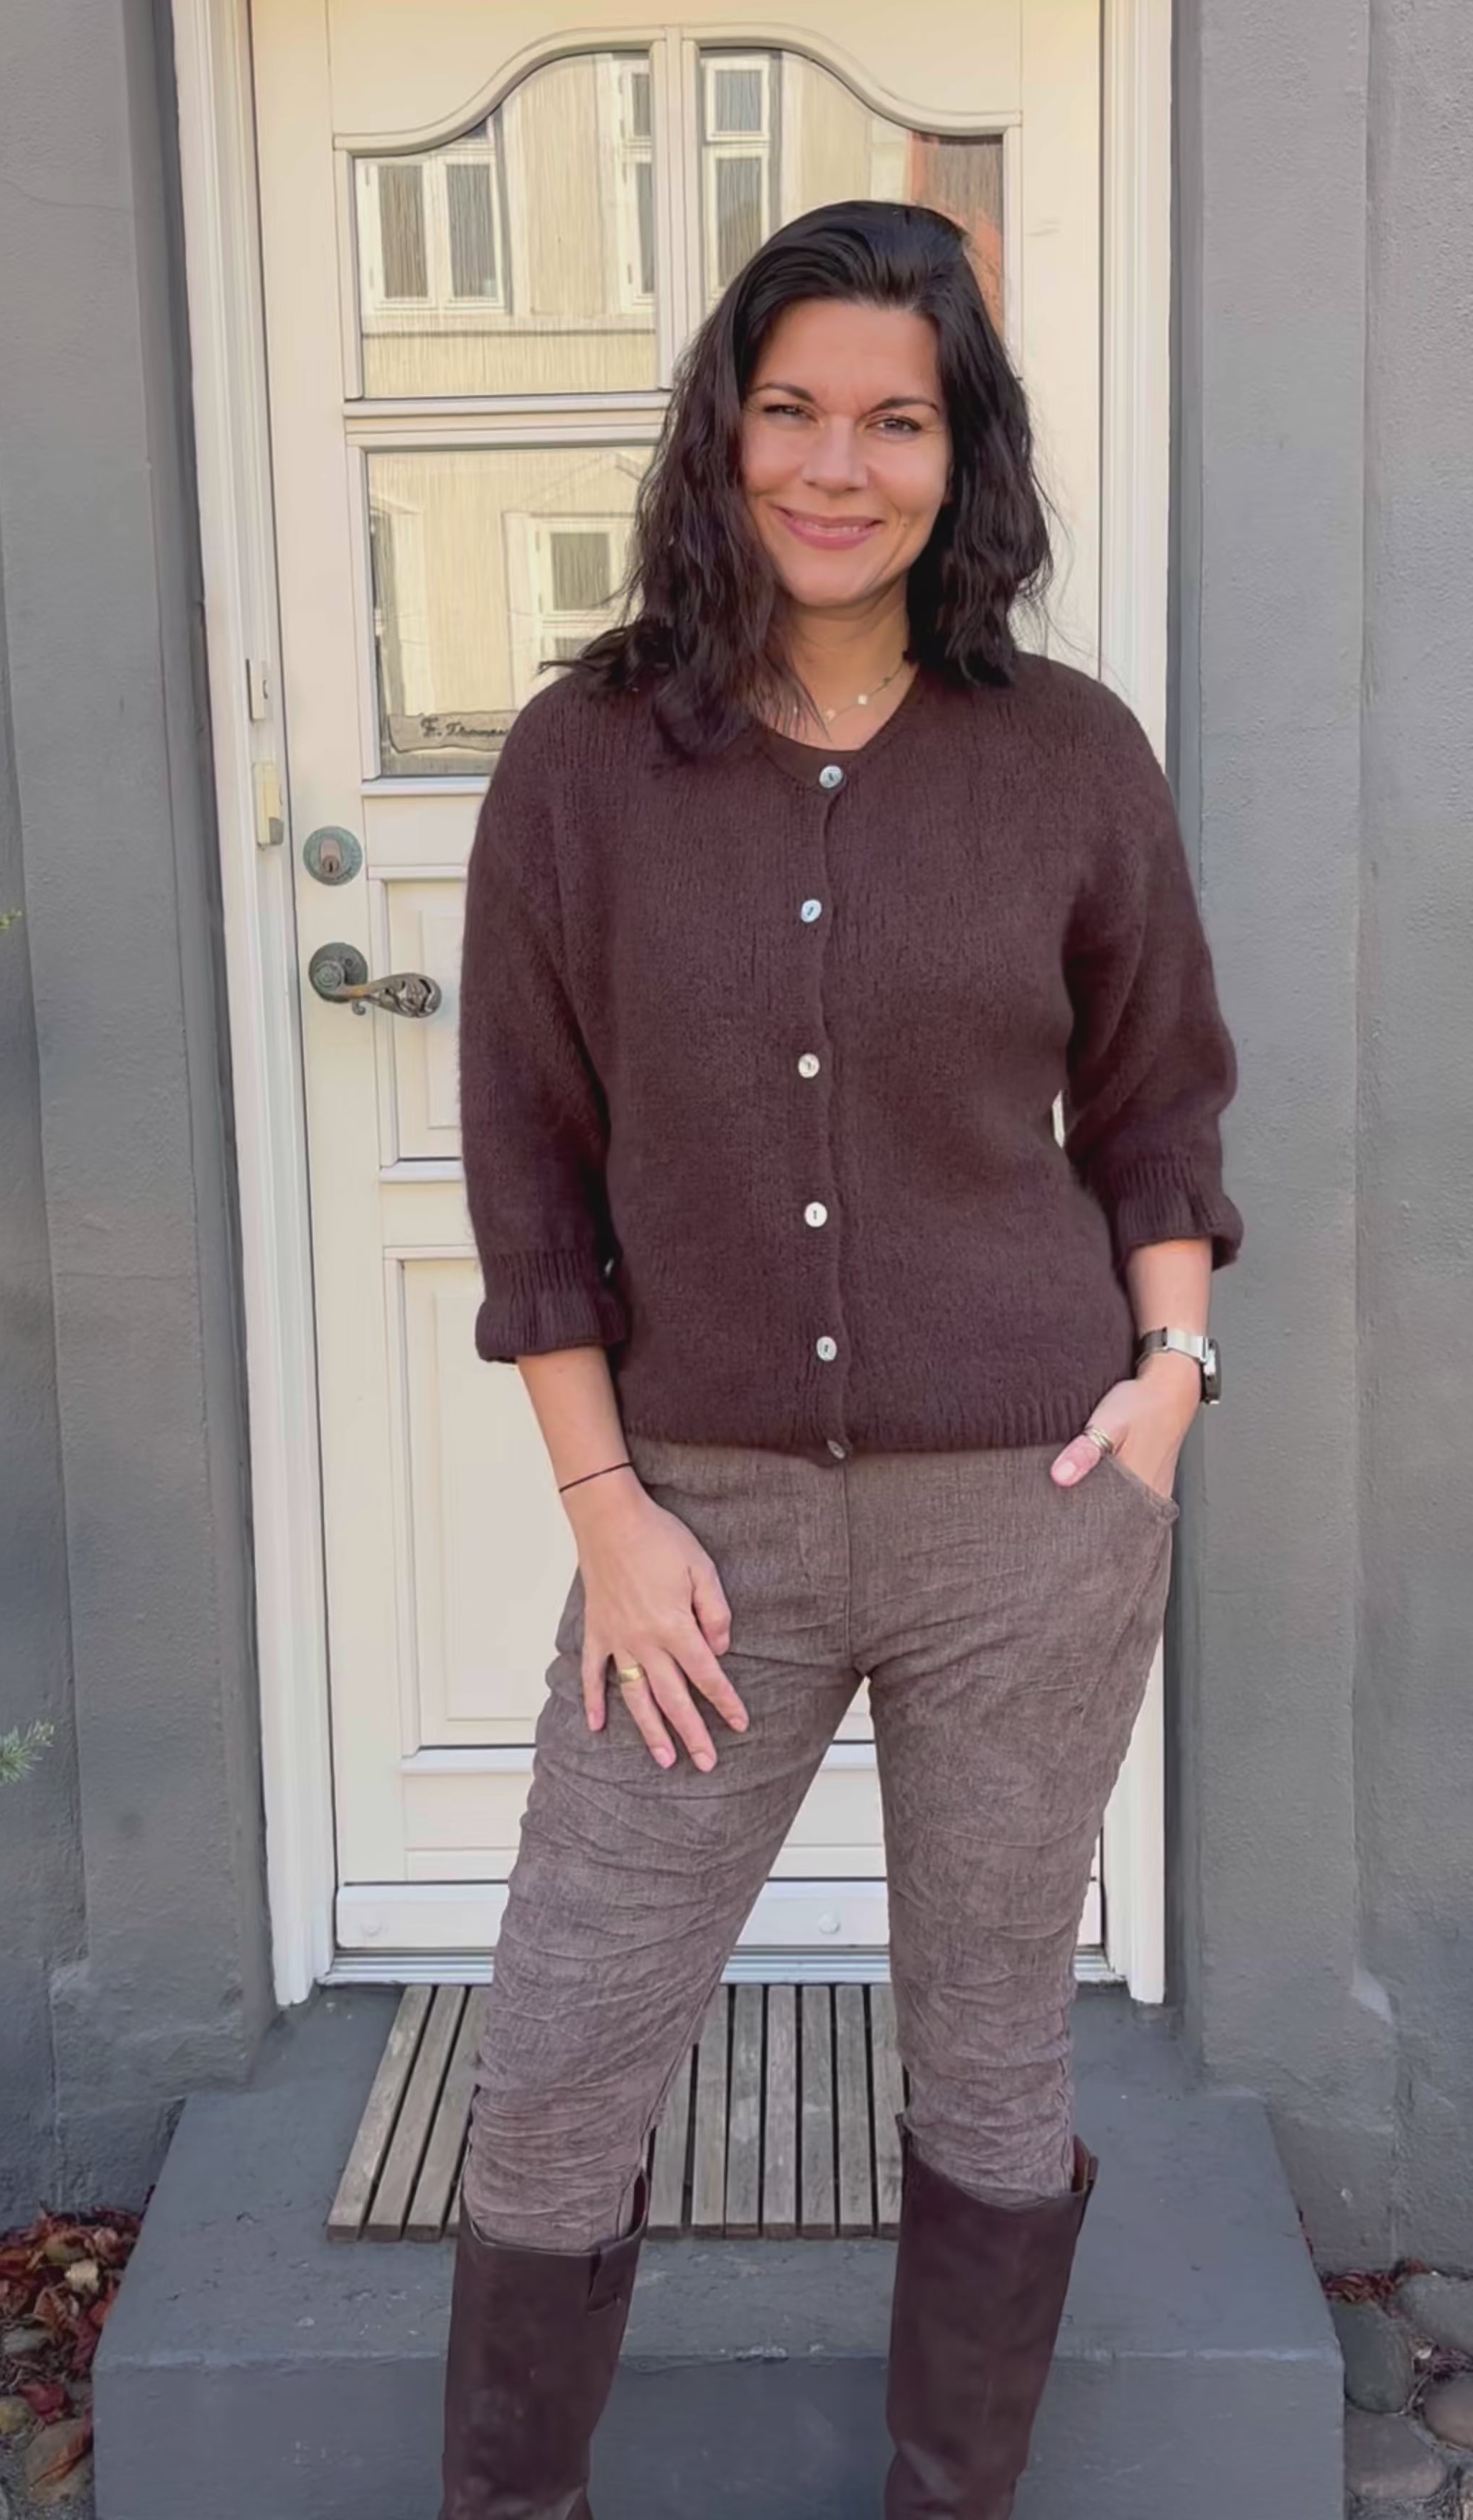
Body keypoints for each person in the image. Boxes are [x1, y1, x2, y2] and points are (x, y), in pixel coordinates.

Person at [445, 198, 1242, 2519]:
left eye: (895, 420)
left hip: (1032, 1517)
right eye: (791, 409)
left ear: (959, 456)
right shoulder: (585, 761)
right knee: (563, 2052)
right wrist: (608, 1517)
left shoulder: (1068, 756)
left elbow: (1161, 1107)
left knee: (992, 2060)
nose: (835, 464)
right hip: (698, 1532)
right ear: (724, 432)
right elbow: (530, 1170)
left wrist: (1172, 1380)